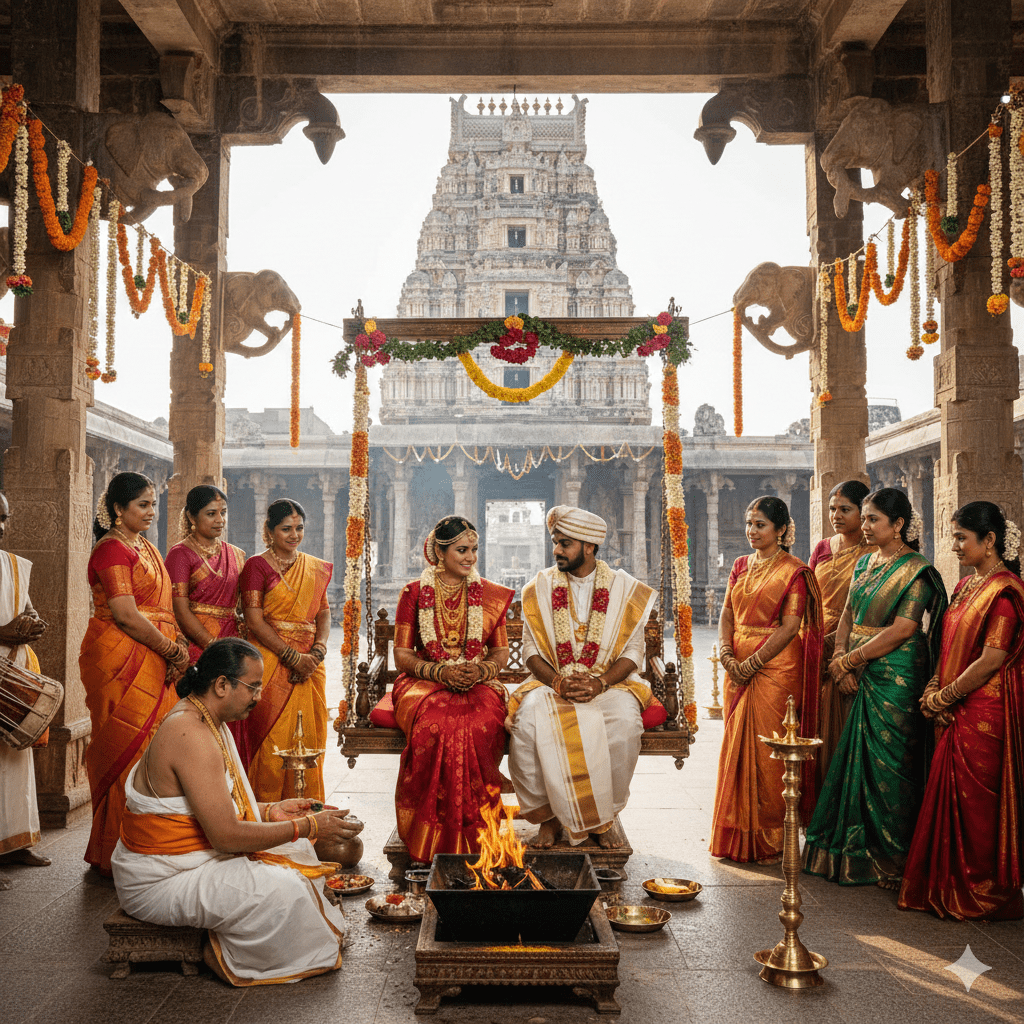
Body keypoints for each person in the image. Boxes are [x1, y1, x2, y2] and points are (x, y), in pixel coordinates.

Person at [111, 638, 361, 986]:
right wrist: (305, 826)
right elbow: (226, 836)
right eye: (253, 687)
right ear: (222, 685)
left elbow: (207, 804)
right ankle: (226, 954)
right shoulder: (190, 733)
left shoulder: (207, 719)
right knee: (284, 889)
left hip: (192, 858)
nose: (259, 696)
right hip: (161, 877)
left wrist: (272, 811)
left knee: (296, 855)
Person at [804, 487, 947, 889]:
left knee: (891, 765)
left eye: (872, 519)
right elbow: (847, 615)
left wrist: (849, 660)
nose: (864, 527)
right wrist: (839, 654)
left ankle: (891, 855)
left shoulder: (916, 570)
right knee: (855, 760)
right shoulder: (865, 563)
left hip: (895, 673)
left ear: (898, 524)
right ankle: (853, 851)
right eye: (863, 518)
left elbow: (904, 629)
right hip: (856, 666)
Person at [899, 502, 1024, 920]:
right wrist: (935, 684)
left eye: (961, 538)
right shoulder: (967, 586)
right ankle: (946, 881)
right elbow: (948, 645)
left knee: (977, 806)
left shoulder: (1004, 592)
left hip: (984, 712)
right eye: (952, 536)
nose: (953, 546)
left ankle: (979, 887)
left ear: (989, 541)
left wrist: (945, 695)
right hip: (954, 703)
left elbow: (992, 658)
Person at [507, 506, 658, 849]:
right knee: (527, 724)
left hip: (609, 684)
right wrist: (558, 682)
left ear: (589, 546)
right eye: (556, 542)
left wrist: (600, 682)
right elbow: (531, 652)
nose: (557, 550)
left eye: (565, 543)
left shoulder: (624, 589)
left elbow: (633, 654)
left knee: (624, 725)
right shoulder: (538, 588)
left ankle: (602, 819)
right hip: (551, 683)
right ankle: (547, 819)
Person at [80, 472, 190, 876]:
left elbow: (162, 609)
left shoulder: (143, 546)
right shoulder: (110, 550)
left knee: (157, 748)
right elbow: (125, 614)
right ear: (117, 510)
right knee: (126, 748)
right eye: (142, 505)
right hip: (119, 657)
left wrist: (174, 652)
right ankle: (114, 853)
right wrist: (171, 649)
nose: (150, 512)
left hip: (156, 658)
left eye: (153, 504)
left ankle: (151, 843)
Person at [391, 516, 514, 863]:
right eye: (462, 550)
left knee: (480, 724)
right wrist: (438, 672)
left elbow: (500, 651)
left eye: (474, 549)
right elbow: (402, 654)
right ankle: (431, 833)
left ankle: (479, 832)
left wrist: (482, 668)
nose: (471, 557)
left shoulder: (488, 594)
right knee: (437, 725)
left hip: (477, 680)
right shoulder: (413, 593)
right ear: (439, 553)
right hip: (424, 681)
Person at [710, 496, 823, 864]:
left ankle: (769, 837)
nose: (752, 531)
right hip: (738, 664)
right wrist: (728, 655)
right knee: (735, 747)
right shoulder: (740, 565)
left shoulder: (795, 571)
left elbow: (791, 627)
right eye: (749, 523)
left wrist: (753, 662)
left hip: (776, 667)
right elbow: (727, 612)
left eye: (760, 524)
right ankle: (734, 833)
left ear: (781, 530)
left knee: (769, 752)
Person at [238, 499, 332, 803]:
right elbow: (254, 619)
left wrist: (317, 651)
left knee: (310, 740)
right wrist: (292, 657)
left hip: (311, 665)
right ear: (269, 530)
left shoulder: (314, 568)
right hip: (269, 660)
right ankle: (266, 817)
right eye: (286, 529)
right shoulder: (256, 566)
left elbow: (324, 613)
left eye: (299, 528)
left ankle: (308, 813)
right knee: (271, 739)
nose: (294, 535)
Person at [808, 480, 877, 785]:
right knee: (813, 720)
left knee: (843, 721)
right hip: (814, 642)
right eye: (832, 508)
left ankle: (842, 802)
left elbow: (870, 608)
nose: (835, 515)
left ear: (863, 512)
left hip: (851, 647)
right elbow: (809, 597)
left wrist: (844, 653)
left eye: (845, 509)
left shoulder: (873, 551)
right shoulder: (822, 547)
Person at [0, 492, 52, 883]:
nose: (0, 527)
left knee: (16, 762)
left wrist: (32, 625)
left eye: (4, 518)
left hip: (13, 670)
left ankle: (17, 843)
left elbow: (28, 608)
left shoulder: (14, 566)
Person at [165, 485, 247, 663]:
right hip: (196, 644)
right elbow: (179, 610)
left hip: (232, 642)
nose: (220, 520)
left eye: (223, 512)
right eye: (211, 514)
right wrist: (213, 646)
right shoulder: (180, 554)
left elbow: (242, 606)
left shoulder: (236, 555)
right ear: (191, 517)